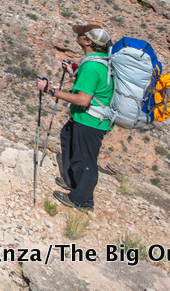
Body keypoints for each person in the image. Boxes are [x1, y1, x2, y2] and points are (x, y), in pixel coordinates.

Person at [36, 23, 114, 210]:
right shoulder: (100, 60)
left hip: (90, 122)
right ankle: (72, 181)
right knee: (67, 136)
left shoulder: (92, 66)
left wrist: (51, 90)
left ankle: (82, 200)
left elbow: (83, 99)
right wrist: (73, 73)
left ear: (88, 42)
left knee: (85, 159)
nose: (77, 36)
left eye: (81, 35)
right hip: (83, 119)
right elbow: (93, 86)